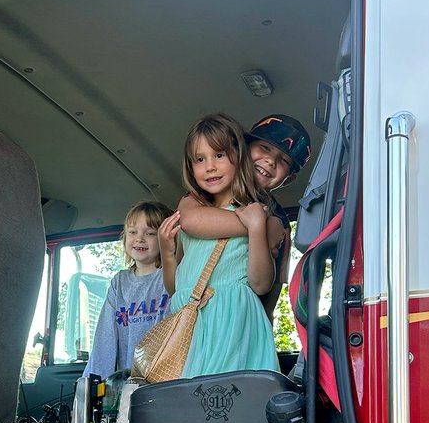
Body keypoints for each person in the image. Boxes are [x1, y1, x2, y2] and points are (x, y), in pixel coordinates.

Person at [159, 114, 280, 378]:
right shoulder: (191, 206)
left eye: (219, 156)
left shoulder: (256, 215)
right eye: (199, 160)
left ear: (240, 156)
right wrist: (168, 255)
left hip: (231, 321)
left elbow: (261, 284)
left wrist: (258, 226)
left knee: (224, 407)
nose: (210, 167)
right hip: (189, 322)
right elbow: (176, 289)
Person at [161, 114, 311, 316]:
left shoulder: (280, 222)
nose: (270, 160)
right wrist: (258, 225)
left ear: (289, 178)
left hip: (238, 318)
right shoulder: (202, 196)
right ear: (242, 149)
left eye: (283, 160)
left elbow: (271, 288)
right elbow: (189, 220)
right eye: (264, 148)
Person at [83, 201, 172, 378]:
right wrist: (95, 382)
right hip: (126, 381)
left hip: (163, 377)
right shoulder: (120, 282)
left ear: (165, 238)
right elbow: (105, 336)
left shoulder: (169, 278)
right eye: (133, 232)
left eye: (150, 233)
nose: (139, 238)